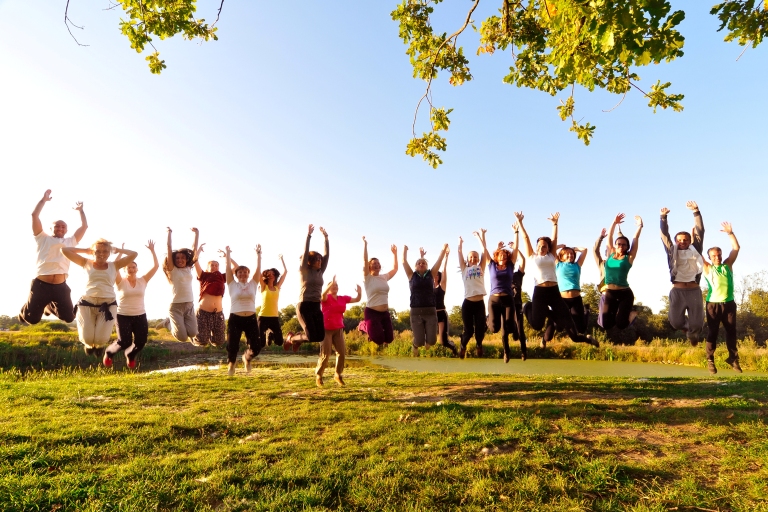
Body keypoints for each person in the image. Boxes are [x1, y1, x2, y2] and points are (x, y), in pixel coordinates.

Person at [516, 211, 598, 348]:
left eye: (545, 246)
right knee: (537, 325)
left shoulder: (551, 256)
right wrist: (520, 222)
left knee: (568, 324)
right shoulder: (532, 256)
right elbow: (525, 237)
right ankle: (527, 306)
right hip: (540, 292)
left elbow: (555, 239)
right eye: (540, 246)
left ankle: (586, 339)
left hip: (554, 292)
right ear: (536, 247)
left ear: (549, 248)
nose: (542, 248)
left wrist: (555, 224)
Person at [19, 189, 88, 325]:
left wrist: (81, 211)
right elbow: (34, 215)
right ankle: (25, 309)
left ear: (66, 230)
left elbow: (84, 226)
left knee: (69, 318)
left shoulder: (70, 241)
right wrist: (43, 200)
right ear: (51, 228)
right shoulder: (42, 238)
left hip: (60, 286)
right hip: (41, 285)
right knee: (31, 319)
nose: (60, 228)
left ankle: (49, 306)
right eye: (57, 226)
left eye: (63, 227)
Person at [61, 239, 137, 359]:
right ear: (93, 252)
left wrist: (119, 250)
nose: (102, 254)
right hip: (87, 303)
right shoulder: (86, 262)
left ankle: (99, 345)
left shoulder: (115, 265)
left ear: (109, 253)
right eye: (98, 251)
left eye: (105, 251)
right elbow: (64, 250)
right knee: (87, 338)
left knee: (101, 339)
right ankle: (89, 345)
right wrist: (85, 251)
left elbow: (134, 254)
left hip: (108, 304)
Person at [104, 240, 159, 369]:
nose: (131, 269)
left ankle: (130, 355)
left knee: (141, 342)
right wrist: (120, 253)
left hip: (140, 315)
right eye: (128, 267)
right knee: (124, 341)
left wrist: (152, 250)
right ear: (124, 269)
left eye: (133, 267)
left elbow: (156, 266)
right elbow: (114, 266)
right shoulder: (120, 281)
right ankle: (109, 353)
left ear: (137, 269)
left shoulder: (143, 280)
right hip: (123, 315)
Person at [660, 201, 705, 345]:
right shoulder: (671, 251)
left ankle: (693, 332)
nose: (682, 242)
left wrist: (696, 212)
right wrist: (663, 218)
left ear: (690, 241)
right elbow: (664, 235)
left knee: (698, 323)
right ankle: (687, 328)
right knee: (675, 322)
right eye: (679, 240)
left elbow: (700, 231)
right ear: (675, 241)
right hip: (678, 291)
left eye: (685, 240)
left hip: (694, 290)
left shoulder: (695, 249)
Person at [701, 222, 741, 374]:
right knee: (713, 332)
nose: (717, 257)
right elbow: (696, 251)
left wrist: (730, 233)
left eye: (719, 255)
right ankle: (710, 360)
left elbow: (736, 249)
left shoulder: (727, 266)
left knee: (731, 332)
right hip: (713, 305)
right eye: (714, 256)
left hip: (729, 304)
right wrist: (694, 236)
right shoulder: (707, 268)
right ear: (710, 257)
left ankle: (733, 358)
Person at [285, 224, 329, 351]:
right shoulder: (304, 270)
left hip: (316, 306)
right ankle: (292, 339)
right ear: (309, 261)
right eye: (316, 259)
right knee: (310, 336)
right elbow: (305, 253)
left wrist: (326, 238)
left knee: (319, 336)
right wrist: (309, 236)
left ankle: (297, 339)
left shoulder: (320, 271)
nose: (320, 261)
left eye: (320, 259)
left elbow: (327, 256)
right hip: (304, 306)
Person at [402, 243, 449, 357]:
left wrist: (443, 250)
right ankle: (415, 345)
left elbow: (439, 260)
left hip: (430, 311)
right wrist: (405, 250)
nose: (421, 264)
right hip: (416, 312)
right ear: (415, 266)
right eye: (419, 263)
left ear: (427, 266)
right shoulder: (411, 275)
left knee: (432, 341)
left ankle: (427, 342)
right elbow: (404, 261)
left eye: (424, 263)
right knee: (419, 341)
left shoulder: (431, 274)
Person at [541, 241, 590, 345]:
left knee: (581, 329)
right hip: (561, 300)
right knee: (557, 328)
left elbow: (585, 250)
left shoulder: (577, 265)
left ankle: (587, 311)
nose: (570, 255)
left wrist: (573, 248)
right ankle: (545, 336)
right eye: (567, 254)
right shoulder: (558, 264)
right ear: (561, 256)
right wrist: (560, 247)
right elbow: (549, 252)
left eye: (572, 254)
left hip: (576, 299)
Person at [316, 276, 362, 386]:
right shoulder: (325, 298)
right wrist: (329, 284)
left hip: (338, 329)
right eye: (332, 285)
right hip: (326, 329)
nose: (334, 287)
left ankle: (337, 375)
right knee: (325, 354)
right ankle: (319, 375)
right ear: (328, 287)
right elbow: (322, 295)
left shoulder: (343, 298)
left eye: (336, 285)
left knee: (341, 353)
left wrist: (359, 293)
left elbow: (357, 299)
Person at [224, 246, 262, 376]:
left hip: (251, 318)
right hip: (235, 318)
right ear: (236, 274)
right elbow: (228, 269)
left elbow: (258, 269)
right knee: (232, 344)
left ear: (248, 274)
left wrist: (258, 254)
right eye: (239, 272)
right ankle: (231, 365)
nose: (242, 273)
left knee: (256, 346)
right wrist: (228, 254)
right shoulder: (231, 284)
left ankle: (247, 358)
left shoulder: (253, 283)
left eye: (245, 271)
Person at [602, 214, 643, 330]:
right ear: (615, 245)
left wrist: (640, 226)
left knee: (621, 324)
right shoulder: (610, 254)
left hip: (625, 293)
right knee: (607, 325)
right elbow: (609, 236)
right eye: (618, 244)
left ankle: (633, 313)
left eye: (624, 244)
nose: (621, 245)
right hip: (610, 292)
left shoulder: (629, 257)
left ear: (627, 247)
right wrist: (614, 223)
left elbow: (635, 239)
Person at [160, 227, 199, 342]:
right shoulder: (172, 270)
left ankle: (169, 322)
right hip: (176, 306)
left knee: (192, 333)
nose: (180, 260)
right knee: (182, 338)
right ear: (173, 259)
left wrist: (197, 234)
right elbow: (169, 248)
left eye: (183, 258)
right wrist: (169, 233)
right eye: (177, 258)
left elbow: (194, 249)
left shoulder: (188, 268)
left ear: (186, 259)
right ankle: (167, 323)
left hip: (189, 304)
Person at [360, 237, 398, 346]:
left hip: (385, 313)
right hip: (372, 312)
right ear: (369, 266)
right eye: (374, 263)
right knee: (379, 340)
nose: (376, 264)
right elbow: (364, 259)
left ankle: (371, 330)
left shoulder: (384, 277)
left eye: (378, 263)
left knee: (389, 339)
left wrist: (395, 254)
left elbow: (395, 269)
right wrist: (365, 245)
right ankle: (363, 325)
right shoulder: (367, 278)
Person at [458, 231, 489, 358]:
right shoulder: (464, 269)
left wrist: (480, 237)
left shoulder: (481, 267)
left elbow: (484, 251)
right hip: (468, 304)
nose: (473, 258)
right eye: (471, 257)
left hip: (479, 304)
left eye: (475, 257)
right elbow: (459, 253)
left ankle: (479, 345)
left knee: (480, 330)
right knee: (469, 330)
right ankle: (463, 345)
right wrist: (460, 243)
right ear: (467, 259)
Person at [193, 243, 226, 347]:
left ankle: (208, 333)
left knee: (219, 342)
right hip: (203, 312)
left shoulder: (222, 277)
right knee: (201, 341)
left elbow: (236, 269)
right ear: (207, 268)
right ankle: (191, 331)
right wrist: (197, 251)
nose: (215, 266)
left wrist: (227, 257)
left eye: (217, 265)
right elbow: (195, 261)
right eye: (212, 265)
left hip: (218, 313)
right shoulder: (204, 276)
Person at [257, 253, 288, 348]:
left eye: (273, 274)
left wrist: (282, 259)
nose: (271, 275)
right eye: (269, 274)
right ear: (266, 276)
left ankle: (270, 335)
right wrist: (258, 256)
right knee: (261, 344)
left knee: (279, 341)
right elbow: (258, 272)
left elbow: (285, 272)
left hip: (274, 317)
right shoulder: (263, 287)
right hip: (263, 317)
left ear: (275, 276)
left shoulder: (277, 287)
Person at [434, 248, 458, 355]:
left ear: (439, 277)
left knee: (443, 341)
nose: (435, 276)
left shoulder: (441, 286)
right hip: (431, 315)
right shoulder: (428, 287)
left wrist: (446, 257)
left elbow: (444, 270)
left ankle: (453, 346)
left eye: (437, 274)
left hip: (441, 314)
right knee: (427, 339)